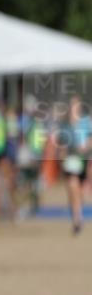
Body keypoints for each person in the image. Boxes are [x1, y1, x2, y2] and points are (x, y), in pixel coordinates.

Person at [58, 95, 91, 235]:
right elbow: (62, 146)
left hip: (83, 160)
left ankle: (78, 215)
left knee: (79, 191)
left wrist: (85, 147)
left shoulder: (86, 122)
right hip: (70, 161)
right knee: (72, 187)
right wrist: (62, 157)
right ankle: (77, 219)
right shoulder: (64, 125)